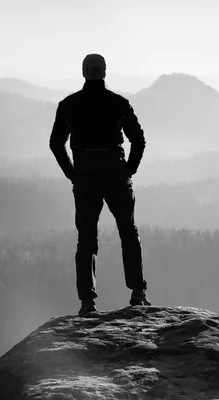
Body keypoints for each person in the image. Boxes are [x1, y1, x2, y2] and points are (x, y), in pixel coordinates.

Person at [49, 53, 150, 316]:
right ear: (104, 72)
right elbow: (138, 139)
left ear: (83, 72)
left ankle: (87, 302)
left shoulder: (68, 105)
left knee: (86, 238)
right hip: (115, 172)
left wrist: (72, 173)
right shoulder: (119, 103)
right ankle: (138, 293)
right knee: (128, 231)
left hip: (85, 175)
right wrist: (128, 170)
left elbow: (55, 143)